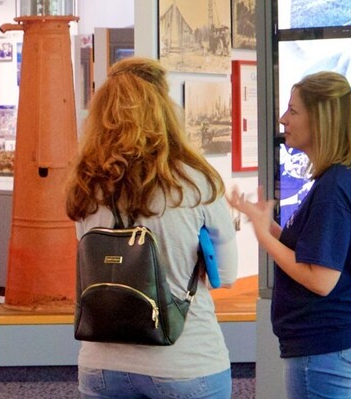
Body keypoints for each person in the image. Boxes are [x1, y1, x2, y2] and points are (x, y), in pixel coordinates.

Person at [66, 58, 240, 399]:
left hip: (102, 363)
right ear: (163, 107)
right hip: (185, 361)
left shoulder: (86, 185)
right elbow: (228, 276)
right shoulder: (196, 182)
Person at [228, 71, 351, 399]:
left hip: (324, 345)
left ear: (322, 120)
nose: (283, 119)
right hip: (333, 340)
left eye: (293, 111)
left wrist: (264, 238)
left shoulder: (334, 188)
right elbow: (315, 251)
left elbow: (320, 279)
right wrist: (270, 228)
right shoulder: (338, 181)